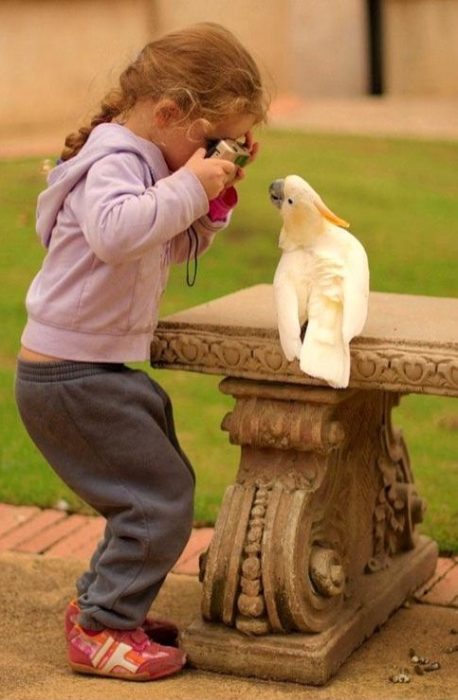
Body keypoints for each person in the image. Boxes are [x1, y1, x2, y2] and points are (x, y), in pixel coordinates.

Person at [15, 22, 268, 681]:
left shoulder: (145, 165)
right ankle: (102, 628)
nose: (213, 152)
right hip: (69, 377)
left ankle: (103, 608)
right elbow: (116, 232)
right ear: (168, 113)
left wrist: (210, 200)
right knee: (158, 498)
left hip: (90, 372)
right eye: (209, 138)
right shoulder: (118, 160)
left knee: (150, 492)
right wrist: (189, 185)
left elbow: (164, 244)